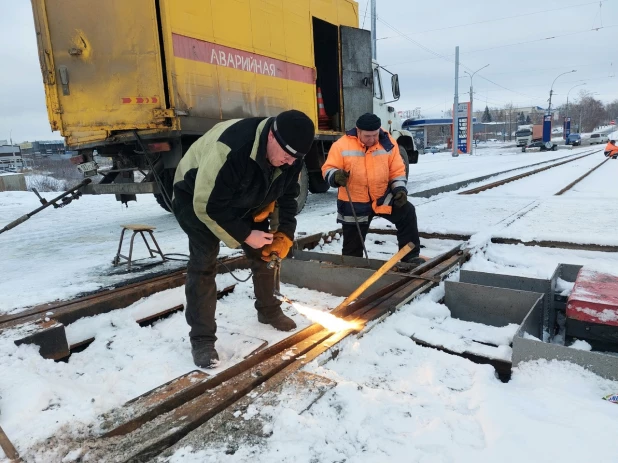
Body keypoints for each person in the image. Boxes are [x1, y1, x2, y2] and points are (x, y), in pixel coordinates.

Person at [173, 110, 315, 368]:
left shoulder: (291, 157)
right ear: (272, 135)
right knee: (204, 262)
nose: (287, 162)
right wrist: (246, 235)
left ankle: (268, 309)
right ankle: (202, 339)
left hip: (247, 197)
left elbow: (287, 197)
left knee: (265, 251)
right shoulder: (230, 149)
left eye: (294, 159)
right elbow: (207, 205)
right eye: (285, 155)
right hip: (196, 198)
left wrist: (284, 233)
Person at [321, 113, 424, 266]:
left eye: (375, 135)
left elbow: (396, 170)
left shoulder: (388, 142)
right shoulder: (341, 145)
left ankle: (410, 256)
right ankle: (353, 270)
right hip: (354, 202)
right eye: (367, 136)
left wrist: (400, 189)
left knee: (407, 212)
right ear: (358, 131)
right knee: (352, 253)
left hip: (381, 197)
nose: (372, 139)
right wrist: (335, 176)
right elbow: (328, 168)